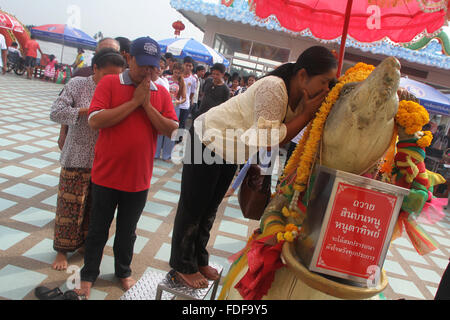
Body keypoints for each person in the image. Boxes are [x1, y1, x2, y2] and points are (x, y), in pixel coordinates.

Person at [169, 46, 337, 289]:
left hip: (230, 148)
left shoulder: (301, 97)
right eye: (324, 81)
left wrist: (308, 110)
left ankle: (198, 258)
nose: (325, 89)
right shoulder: (275, 88)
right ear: (302, 76)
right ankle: (182, 264)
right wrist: (308, 113)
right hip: (207, 138)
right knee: (193, 206)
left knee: (210, 207)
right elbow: (273, 138)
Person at [74, 37, 179, 299]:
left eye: (153, 67)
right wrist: (133, 103)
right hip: (106, 175)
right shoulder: (110, 82)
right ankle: (88, 274)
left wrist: (145, 104)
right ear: (129, 58)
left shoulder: (160, 92)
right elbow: (95, 120)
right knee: (98, 229)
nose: (148, 72)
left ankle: (123, 270)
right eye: (142, 65)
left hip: (138, 179)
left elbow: (170, 128)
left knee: (127, 231)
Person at [49, 48, 126, 271]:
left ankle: (84, 245)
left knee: (95, 209)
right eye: (108, 75)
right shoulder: (78, 84)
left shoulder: (119, 90)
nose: (113, 80)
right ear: (95, 69)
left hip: (104, 160)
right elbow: (56, 112)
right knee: (69, 206)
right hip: (76, 155)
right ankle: (62, 251)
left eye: (117, 76)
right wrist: (87, 110)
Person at [155, 62, 185, 161]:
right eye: (175, 72)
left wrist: (178, 101)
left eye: (179, 73)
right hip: (163, 105)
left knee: (171, 131)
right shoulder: (166, 78)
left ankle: (167, 155)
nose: (177, 74)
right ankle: (156, 153)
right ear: (173, 70)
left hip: (174, 107)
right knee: (160, 128)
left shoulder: (182, 82)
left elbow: (184, 98)